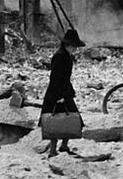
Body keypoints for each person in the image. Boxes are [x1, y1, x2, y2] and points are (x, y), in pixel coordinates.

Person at [41, 29, 85, 157]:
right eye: (74, 46)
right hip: (57, 93)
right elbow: (55, 78)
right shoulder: (60, 56)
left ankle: (64, 146)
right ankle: (52, 150)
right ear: (68, 45)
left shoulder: (66, 55)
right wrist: (59, 96)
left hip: (64, 91)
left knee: (71, 120)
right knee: (54, 122)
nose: (75, 49)